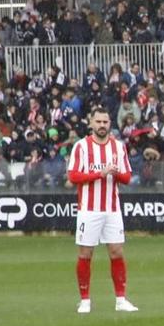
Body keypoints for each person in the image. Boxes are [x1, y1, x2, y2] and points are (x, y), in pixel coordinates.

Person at [66, 109, 137, 314]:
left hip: (112, 209)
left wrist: (115, 173)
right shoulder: (81, 146)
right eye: (98, 121)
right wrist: (100, 173)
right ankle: (85, 300)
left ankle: (121, 299)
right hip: (89, 209)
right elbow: (73, 176)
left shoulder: (118, 146)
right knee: (85, 253)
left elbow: (127, 178)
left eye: (105, 121)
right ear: (91, 123)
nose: (102, 125)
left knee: (116, 252)